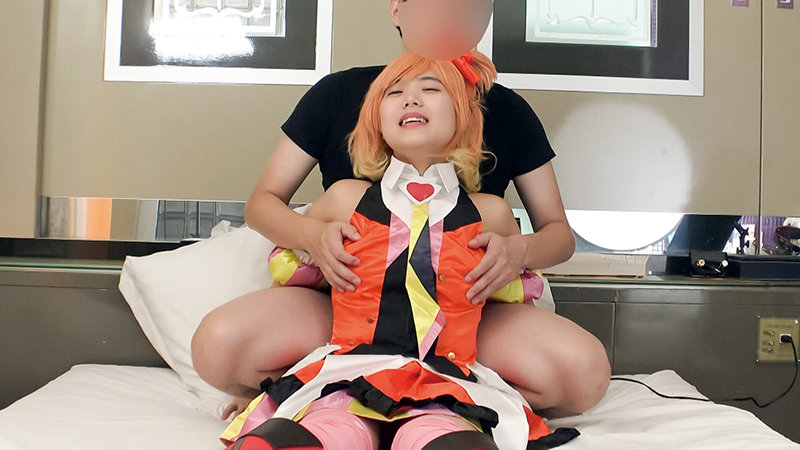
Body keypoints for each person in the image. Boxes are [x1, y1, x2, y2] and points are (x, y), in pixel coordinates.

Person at [192, 0, 610, 422]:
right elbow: (262, 204)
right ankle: (317, 389)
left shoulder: (508, 117)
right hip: (346, 308)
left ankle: (454, 397)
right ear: (396, 10)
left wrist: (518, 253)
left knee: (583, 372)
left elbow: (558, 235)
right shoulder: (337, 98)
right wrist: (311, 237)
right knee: (218, 344)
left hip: (466, 317)